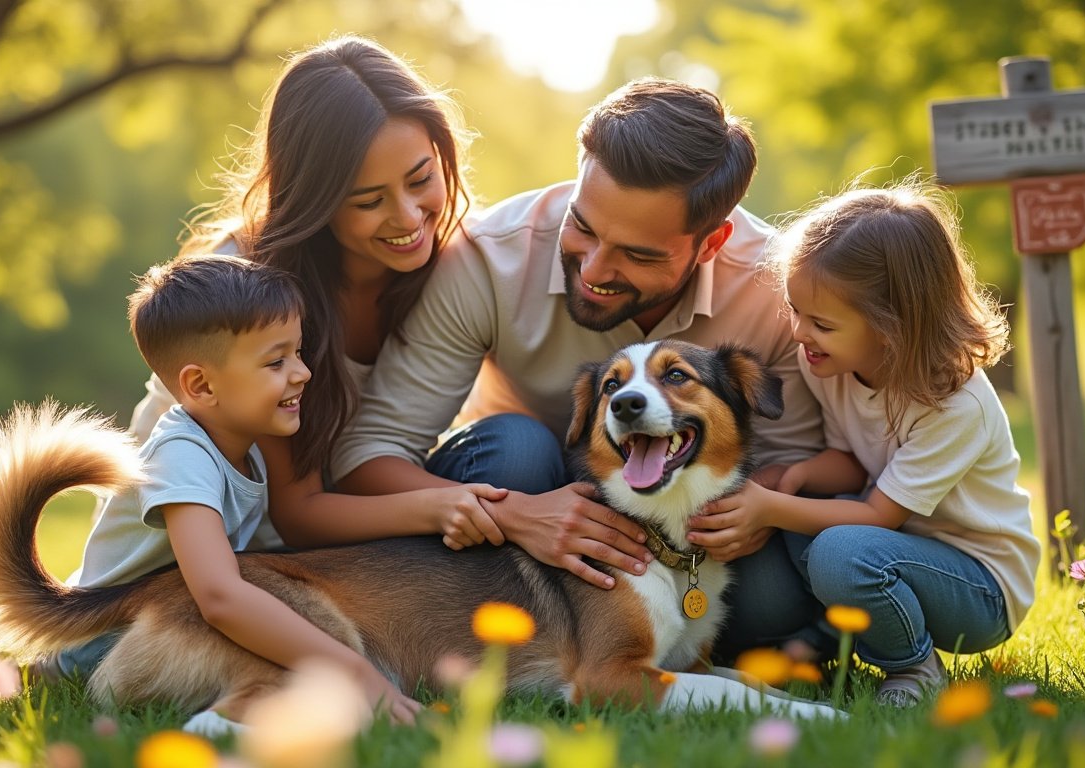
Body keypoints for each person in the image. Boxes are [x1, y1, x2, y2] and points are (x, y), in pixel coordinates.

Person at [319, 78, 826, 653]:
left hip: (695, 513)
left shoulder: (777, 285)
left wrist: (750, 513)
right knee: (516, 450)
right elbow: (367, 456)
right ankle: (529, 649)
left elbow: (799, 461)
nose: (594, 269)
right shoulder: (489, 257)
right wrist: (515, 515)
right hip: (526, 494)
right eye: (582, 226)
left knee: (771, 598)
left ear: (711, 244)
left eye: (638, 254)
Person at [125, 35, 507, 553]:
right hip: (223, 554)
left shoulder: (457, 261)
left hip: (348, 529)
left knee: (515, 448)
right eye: (369, 201)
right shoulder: (250, 283)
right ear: (316, 199)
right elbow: (298, 513)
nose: (409, 217)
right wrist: (451, 506)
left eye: (421, 180)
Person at [686, 180, 1042, 705]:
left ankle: (913, 670)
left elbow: (879, 516)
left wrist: (770, 506)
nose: (800, 333)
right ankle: (826, 640)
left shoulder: (955, 404)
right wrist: (799, 479)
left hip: (978, 584)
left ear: (891, 327)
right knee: (812, 516)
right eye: (795, 311)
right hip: (895, 548)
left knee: (841, 548)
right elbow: (854, 463)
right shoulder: (831, 363)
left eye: (822, 323)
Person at [56, 254, 419, 731]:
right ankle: (223, 725)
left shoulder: (238, 443)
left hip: (156, 619)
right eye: (276, 361)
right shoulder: (182, 455)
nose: (303, 372)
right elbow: (220, 597)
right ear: (202, 386)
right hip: (114, 640)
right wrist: (354, 670)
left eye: (298, 352)